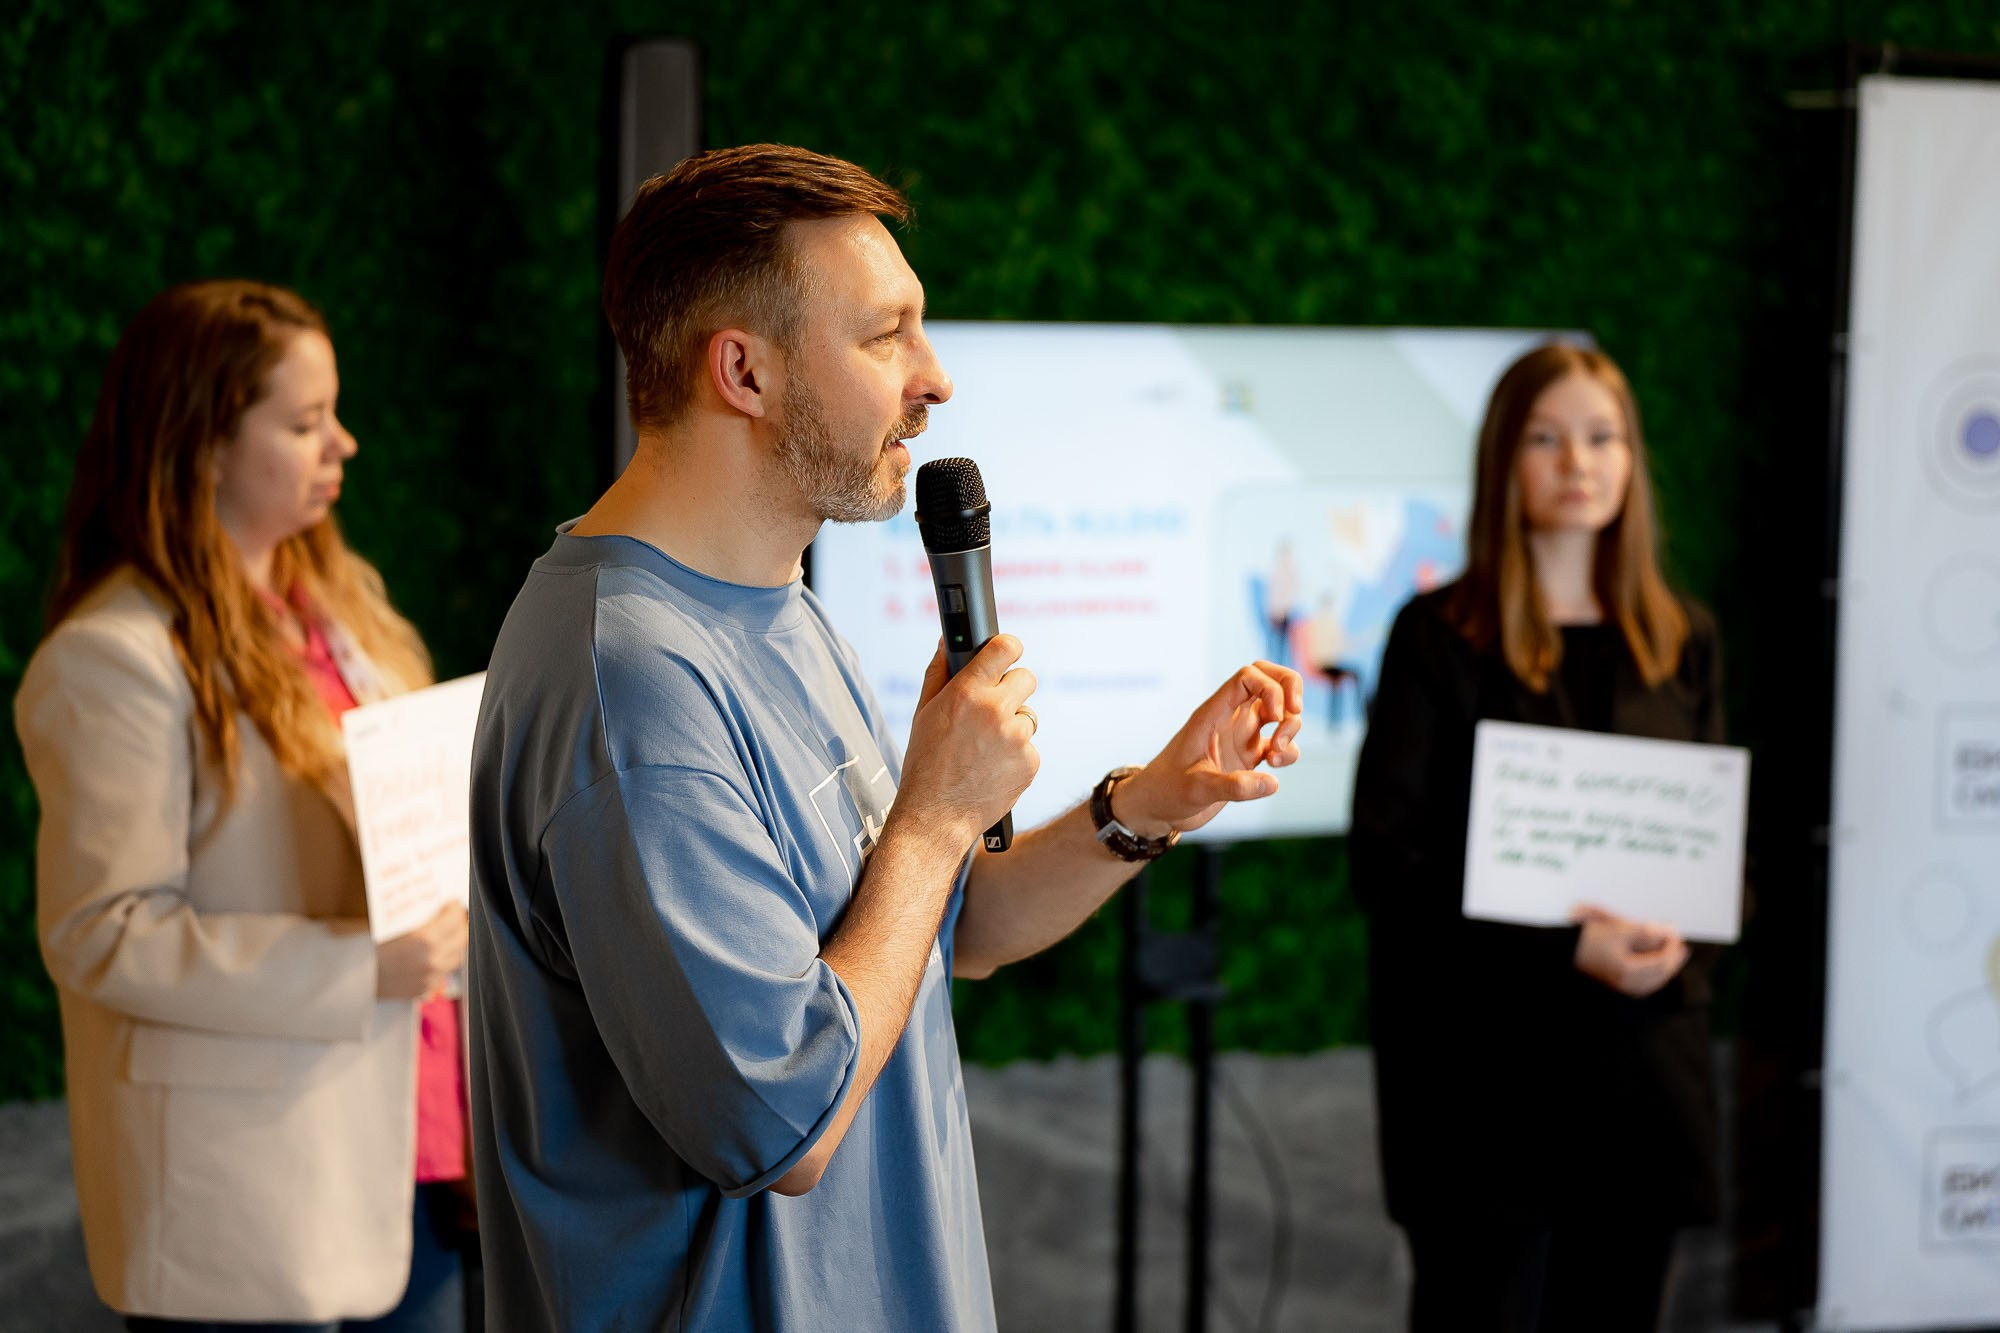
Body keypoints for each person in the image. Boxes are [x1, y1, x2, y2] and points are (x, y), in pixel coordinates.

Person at [466, 143, 1305, 1331]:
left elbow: (937, 934)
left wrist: (1148, 805)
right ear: (743, 372)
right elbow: (780, 1119)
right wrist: (933, 815)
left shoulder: (778, 606)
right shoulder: (631, 683)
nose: (936, 377)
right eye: (884, 334)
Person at [15, 280, 473, 1331]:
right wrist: (358, 967)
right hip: (255, 1202)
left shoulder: (341, 618)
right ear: (201, 443)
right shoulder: (111, 660)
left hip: (412, 1153)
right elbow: (100, 932)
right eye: (307, 422)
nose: (343, 444)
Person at [1351, 341, 1727, 1332]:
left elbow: (1717, 853)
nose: (1577, 463)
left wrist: (1688, 929)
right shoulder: (1435, 636)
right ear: (1502, 462)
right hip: (1484, 1090)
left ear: (1630, 459)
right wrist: (1569, 948)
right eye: (1546, 438)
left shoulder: (1682, 639)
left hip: (1640, 1080)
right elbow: (1387, 869)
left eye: (1601, 438)